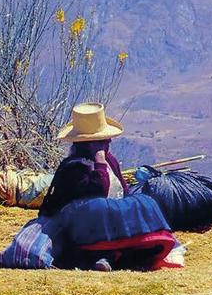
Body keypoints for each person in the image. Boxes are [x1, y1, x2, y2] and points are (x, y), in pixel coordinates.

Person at [41, 103, 182, 271]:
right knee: (99, 207)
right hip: (81, 223)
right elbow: (96, 192)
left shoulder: (111, 160)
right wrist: (100, 164)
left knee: (144, 201)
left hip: (111, 219)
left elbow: (123, 190)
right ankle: (105, 255)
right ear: (89, 143)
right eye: (103, 139)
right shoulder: (73, 167)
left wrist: (131, 208)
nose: (108, 141)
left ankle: (122, 254)